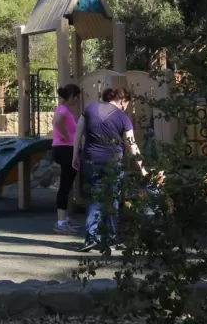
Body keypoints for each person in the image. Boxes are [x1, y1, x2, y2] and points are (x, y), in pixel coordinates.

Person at [72, 87, 147, 252]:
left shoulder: (90, 109)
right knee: (111, 200)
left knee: (95, 198)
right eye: (126, 103)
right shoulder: (123, 117)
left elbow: (78, 133)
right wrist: (142, 169)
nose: (126, 107)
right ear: (122, 100)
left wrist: (75, 156)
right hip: (113, 163)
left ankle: (90, 238)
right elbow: (131, 145)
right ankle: (110, 240)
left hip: (90, 160)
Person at [51, 83, 82, 235]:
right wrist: (64, 136)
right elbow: (56, 122)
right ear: (72, 97)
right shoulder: (63, 110)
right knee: (65, 186)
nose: (77, 100)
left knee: (67, 185)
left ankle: (64, 219)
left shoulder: (63, 109)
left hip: (65, 149)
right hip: (65, 150)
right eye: (77, 97)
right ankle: (61, 222)